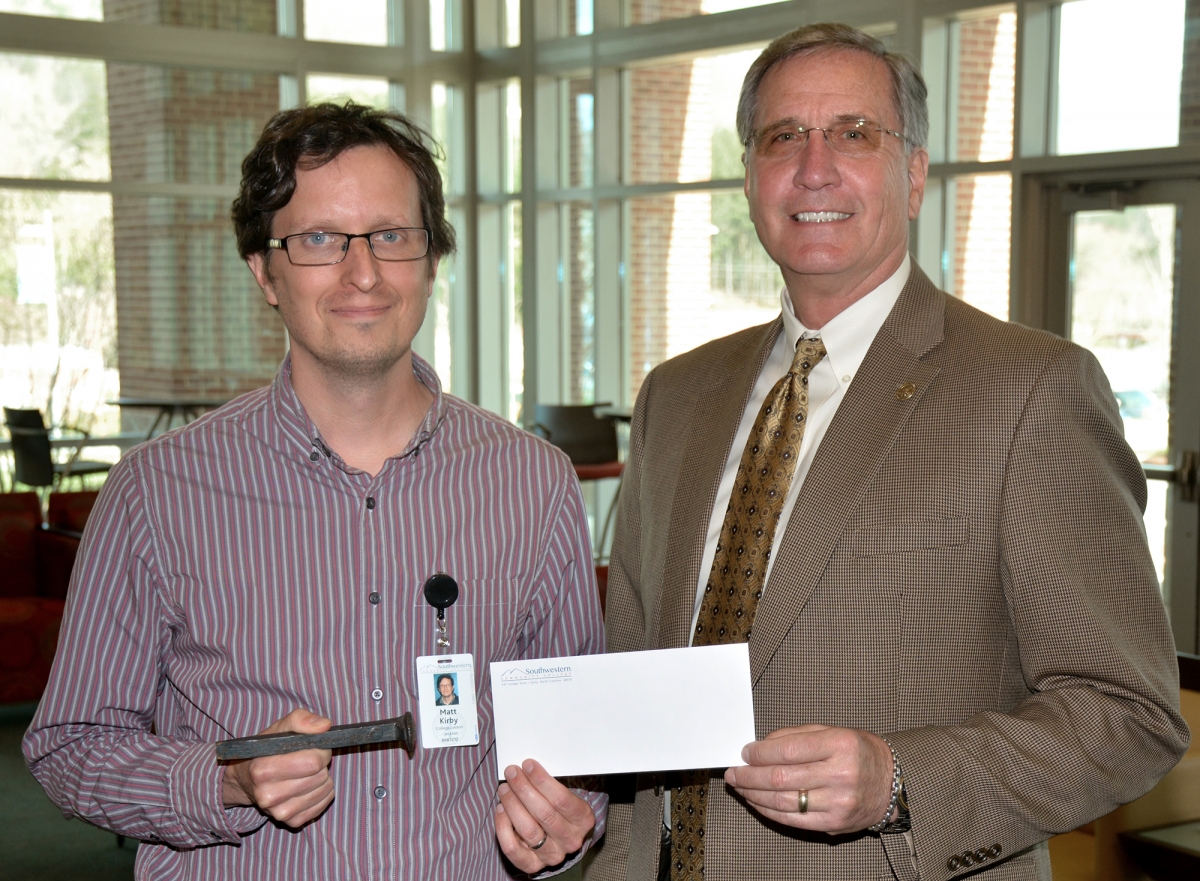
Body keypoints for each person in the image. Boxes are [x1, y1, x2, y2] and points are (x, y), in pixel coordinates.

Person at [584, 22, 1188, 881]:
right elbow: (635, 674)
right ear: (752, 174)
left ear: (913, 174)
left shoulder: (1031, 390)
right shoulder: (675, 396)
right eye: (782, 136)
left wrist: (901, 780)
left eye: (854, 133)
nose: (814, 165)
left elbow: (1129, 714)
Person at [24, 102, 605, 880]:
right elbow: (69, 745)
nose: (362, 273)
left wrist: (571, 822)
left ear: (431, 260)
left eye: (392, 236)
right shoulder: (157, 491)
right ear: (264, 271)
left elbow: (581, 747)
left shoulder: (533, 480)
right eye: (320, 240)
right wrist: (224, 780)